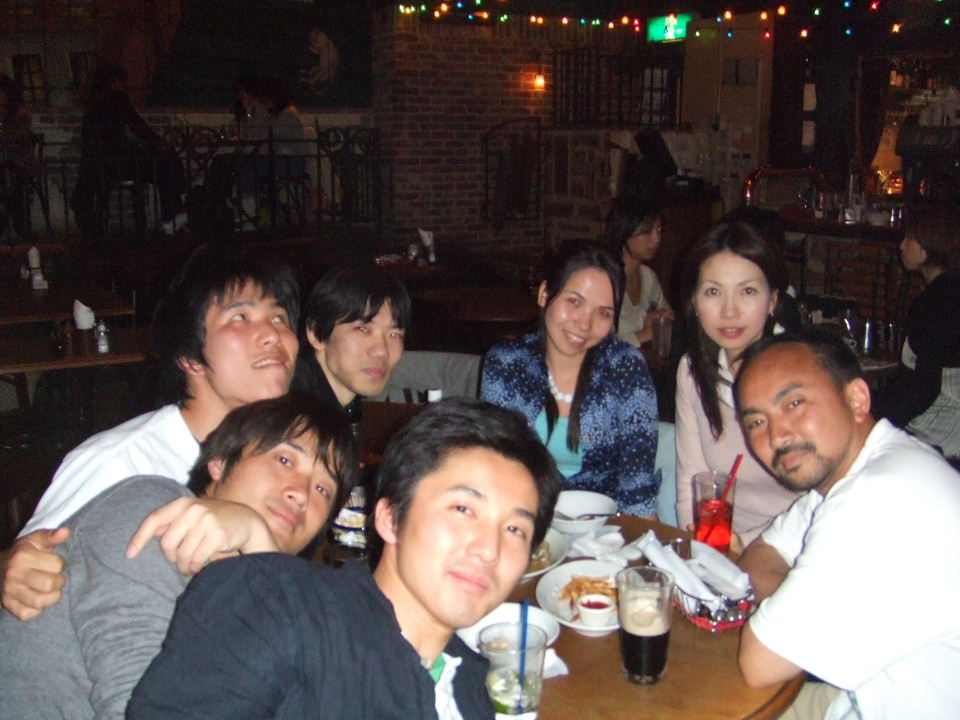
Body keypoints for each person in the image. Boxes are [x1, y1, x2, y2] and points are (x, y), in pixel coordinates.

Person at [127, 397, 563, 719]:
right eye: (463, 509)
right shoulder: (273, 603)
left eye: (515, 530)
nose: (489, 549)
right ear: (389, 518)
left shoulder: (473, 691)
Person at [0, 394, 357, 720]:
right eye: (284, 459)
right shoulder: (151, 511)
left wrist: (259, 542)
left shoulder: (261, 590)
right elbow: (141, 707)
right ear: (220, 463)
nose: (302, 494)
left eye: (323, 488)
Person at [0, 246, 300, 620]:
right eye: (241, 317)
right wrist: (11, 569)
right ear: (190, 358)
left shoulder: (284, 458)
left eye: (280, 317)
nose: (273, 334)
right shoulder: (122, 463)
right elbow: (27, 564)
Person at [735, 329, 960, 719]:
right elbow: (762, 554)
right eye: (756, 421)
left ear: (856, 398)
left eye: (794, 403)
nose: (776, 435)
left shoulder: (881, 495)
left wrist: (785, 620)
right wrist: (790, 610)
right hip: (855, 701)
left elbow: (760, 663)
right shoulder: (855, 470)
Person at [481, 244, 659, 516]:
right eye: (574, 301)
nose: (584, 324)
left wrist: (640, 535)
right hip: (524, 519)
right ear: (544, 294)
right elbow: (494, 467)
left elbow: (638, 488)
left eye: (603, 312)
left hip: (605, 527)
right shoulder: (508, 364)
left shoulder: (625, 368)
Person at [675, 222, 801, 543]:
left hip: (793, 547)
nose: (729, 311)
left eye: (747, 291)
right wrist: (701, 551)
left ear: (773, 301)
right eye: (713, 291)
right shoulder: (692, 371)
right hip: (720, 545)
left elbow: (822, 498)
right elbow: (691, 482)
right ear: (694, 302)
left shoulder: (803, 375)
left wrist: (748, 546)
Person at [873, 203, 960, 458]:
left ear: (928, 247)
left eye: (909, 238)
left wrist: (879, 419)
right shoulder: (948, 292)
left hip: (946, 423)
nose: (901, 245)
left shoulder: (936, 303)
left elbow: (925, 388)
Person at [71, 62, 187, 236]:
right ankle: (173, 216)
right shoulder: (116, 99)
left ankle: (173, 216)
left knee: (163, 165)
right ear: (115, 81)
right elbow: (137, 125)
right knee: (166, 165)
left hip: (101, 164)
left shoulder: (93, 102)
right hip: (118, 162)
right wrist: (158, 144)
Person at [292, 266, 410, 418]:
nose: (382, 351)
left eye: (394, 334)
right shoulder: (294, 415)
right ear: (315, 332)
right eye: (363, 329)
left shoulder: (323, 409)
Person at [605, 200, 673, 347]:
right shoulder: (607, 280)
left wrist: (663, 317)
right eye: (647, 231)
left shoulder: (648, 276)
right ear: (625, 232)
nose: (656, 239)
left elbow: (667, 314)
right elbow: (599, 345)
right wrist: (644, 334)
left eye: (659, 230)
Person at [0, 74, 39, 241]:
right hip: (6, 162)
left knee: (8, 174)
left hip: (19, 161)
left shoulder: (20, 115)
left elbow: (14, 140)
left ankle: (14, 224)